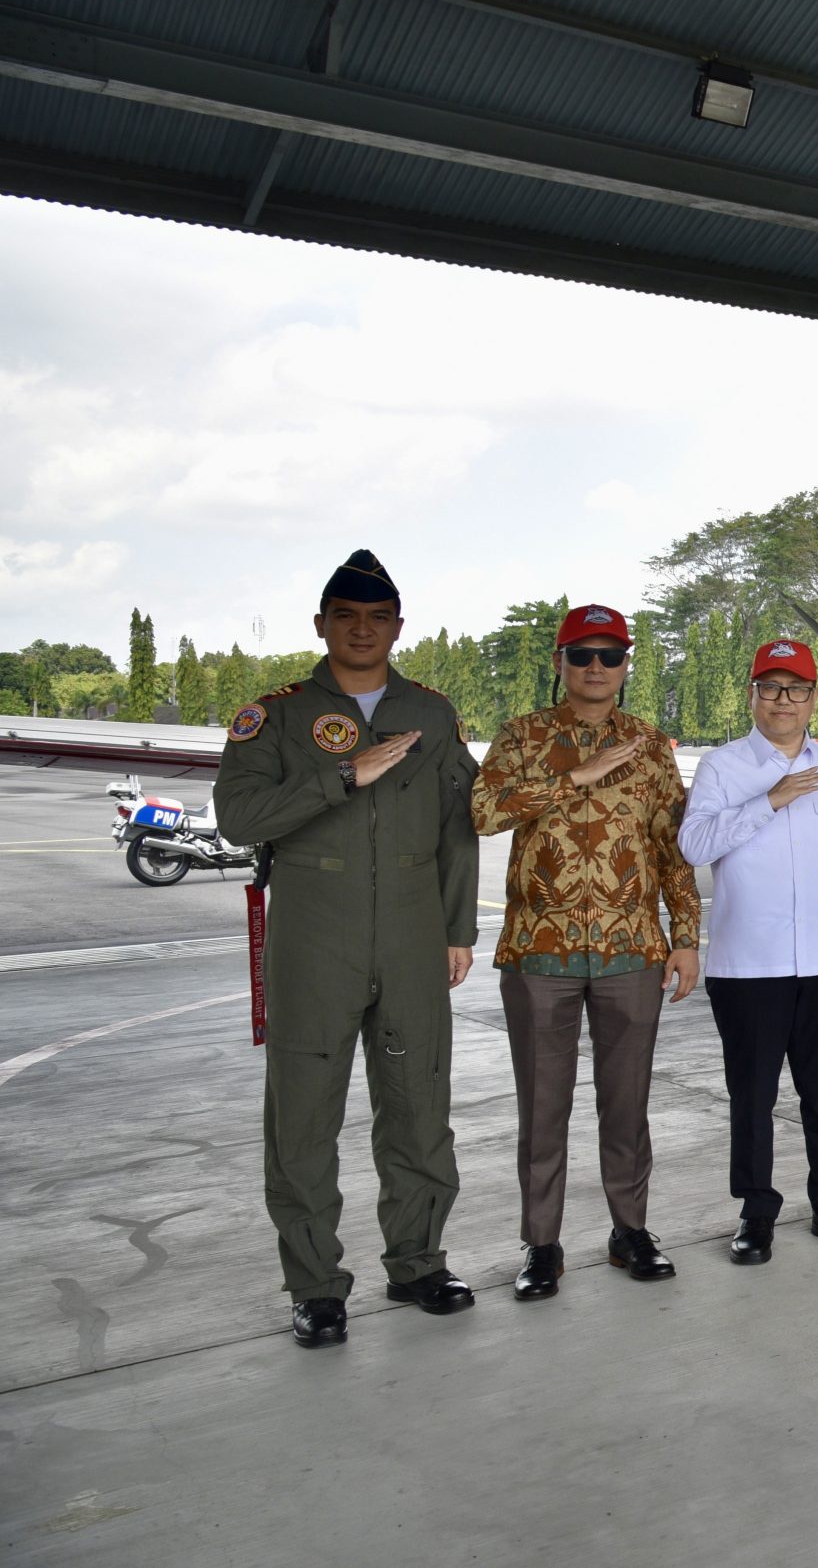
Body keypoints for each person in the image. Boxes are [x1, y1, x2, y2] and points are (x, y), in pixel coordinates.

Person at [211, 550, 480, 1349]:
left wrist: (458, 929)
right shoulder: (277, 714)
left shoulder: (431, 714)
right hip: (313, 932)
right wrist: (343, 776)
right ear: (322, 623)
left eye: (378, 617)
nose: (362, 631)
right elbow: (239, 815)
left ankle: (419, 1261)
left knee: (418, 1103)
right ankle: (316, 1287)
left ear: (398, 625)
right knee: (303, 1114)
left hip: (410, 926)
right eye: (346, 616)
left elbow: (458, 831)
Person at [470, 603, 700, 1299]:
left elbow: (674, 846)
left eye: (609, 654)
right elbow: (483, 812)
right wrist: (579, 774)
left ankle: (630, 1229)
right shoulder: (524, 736)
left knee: (626, 1105)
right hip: (541, 951)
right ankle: (541, 1243)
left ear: (626, 663)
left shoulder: (651, 744)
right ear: (560, 663)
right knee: (543, 1109)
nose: (596, 666)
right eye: (582, 654)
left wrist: (686, 936)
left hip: (631, 949)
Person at [678, 638, 818, 1262]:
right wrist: (771, 799)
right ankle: (756, 1213)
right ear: (753, 696)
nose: (783, 701)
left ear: (813, 698)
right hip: (750, 965)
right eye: (770, 688)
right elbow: (694, 845)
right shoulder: (723, 767)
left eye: (796, 689)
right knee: (753, 1097)